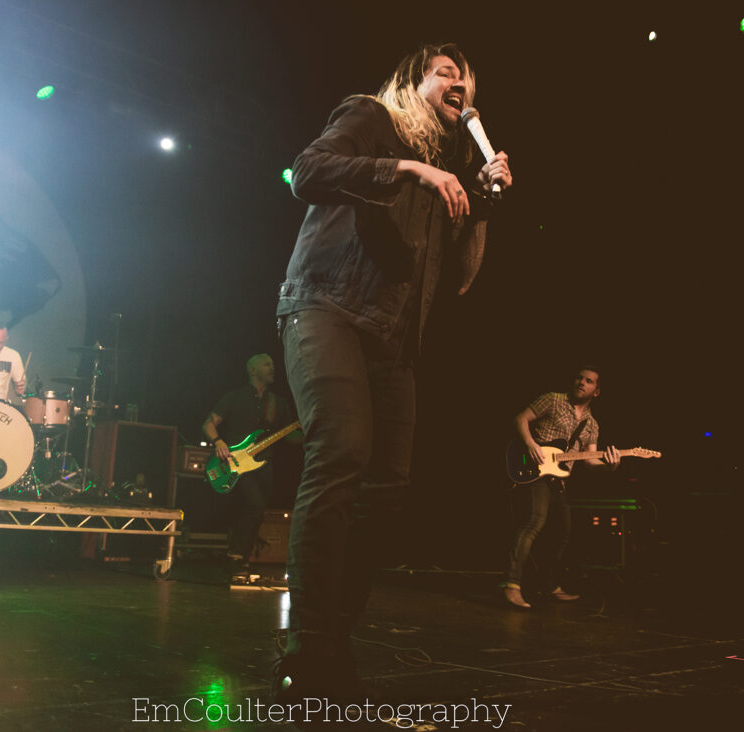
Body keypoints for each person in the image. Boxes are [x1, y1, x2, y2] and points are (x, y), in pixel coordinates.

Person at [274, 42, 512, 701]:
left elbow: (461, 281)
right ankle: (306, 646)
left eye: (466, 77)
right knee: (341, 453)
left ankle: (331, 636)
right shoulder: (373, 116)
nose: (458, 82)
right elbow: (307, 172)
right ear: (415, 80)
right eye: (445, 72)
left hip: (393, 339)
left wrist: (484, 204)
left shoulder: (451, 167)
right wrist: (406, 167)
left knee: (388, 490)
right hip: (325, 307)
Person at [505, 366, 620, 609]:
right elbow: (521, 418)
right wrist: (530, 444)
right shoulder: (553, 400)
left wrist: (610, 466)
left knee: (562, 532)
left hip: (559, 479)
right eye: (579, 377)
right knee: (534, 522)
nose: (581, 382)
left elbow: (589, 460)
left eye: (588, 381)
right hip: (535, 471)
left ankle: (547, 585)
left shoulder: (592, 425)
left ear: (596, 391)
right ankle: (512, 585)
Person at [202, 354, 300, 582]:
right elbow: (208, 423)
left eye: (273, 365)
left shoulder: (278, 403)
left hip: (263, 466)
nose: (272, 368)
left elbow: (291, 437)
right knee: (254, 506)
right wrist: (218, 442)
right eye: (267, 364)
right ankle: (235, 558)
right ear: (253, 369)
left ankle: (240, 561)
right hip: (233, 463)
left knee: (256, 511)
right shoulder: (234, 398)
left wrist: (307, 429)